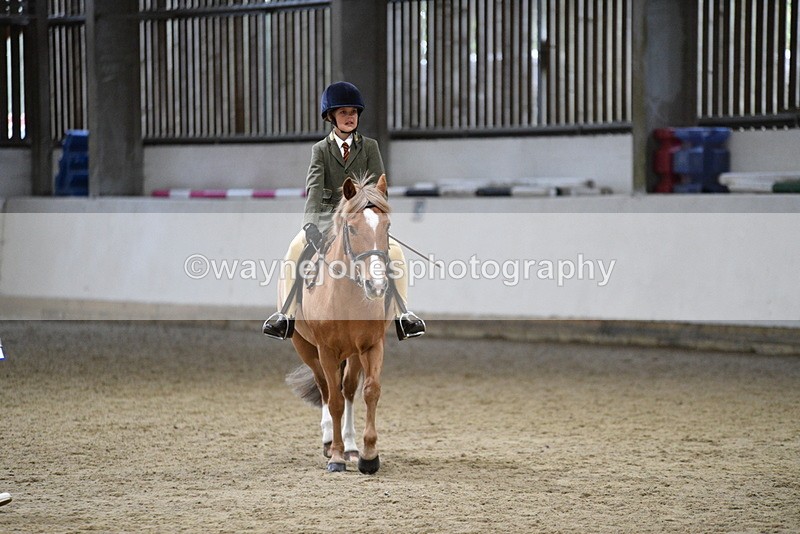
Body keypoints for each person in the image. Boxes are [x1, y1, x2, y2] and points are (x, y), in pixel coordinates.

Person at [263, 81, 426, 341]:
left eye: (353, 113)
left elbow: (379, 187)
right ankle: (286, 314)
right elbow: (314, 190)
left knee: (396, 254)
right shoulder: (320, 151)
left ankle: (403, 314)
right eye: (343, 113)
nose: (349, 118)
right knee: (294, 250)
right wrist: (310, 225)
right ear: (331, 117)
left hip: (362, 221)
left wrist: (376, 219)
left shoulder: (370, 147)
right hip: (329, 219)